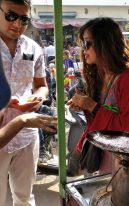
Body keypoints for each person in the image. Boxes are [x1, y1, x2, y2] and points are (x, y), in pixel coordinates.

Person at [67, 17, 129, 174]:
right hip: (101, 152)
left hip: (123, 161)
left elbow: (127, 128)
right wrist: (85, 106)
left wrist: (91, 105)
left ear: (105, 44)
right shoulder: (99, 75)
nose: (83, 49)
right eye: (83, 43)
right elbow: (100, 117)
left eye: (87, 43)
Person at [0, 0, 49, 205]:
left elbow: (41, 84)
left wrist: (39, 96)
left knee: (25, 197)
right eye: (11, 15)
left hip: (27, 135)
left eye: (24, 19)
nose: (18, 24)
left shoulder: (33, 47)